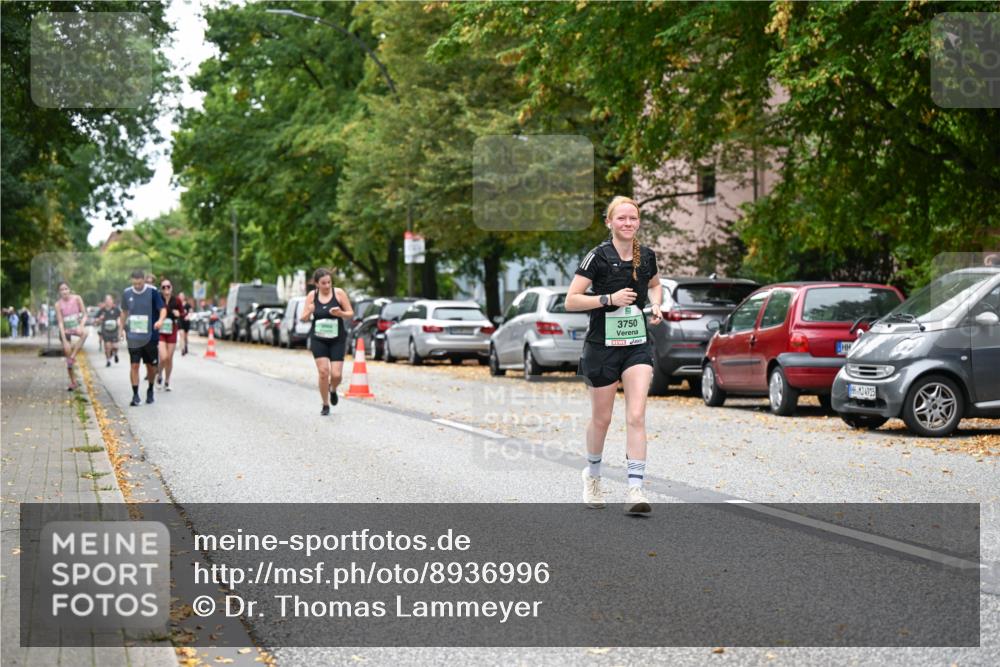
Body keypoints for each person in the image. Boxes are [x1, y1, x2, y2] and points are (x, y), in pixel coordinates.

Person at [565, 195, 663, 515]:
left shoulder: (646, 256)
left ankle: (635, 488)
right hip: (601, 347)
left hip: (636, 345)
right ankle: (592, 474)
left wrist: (658, 304)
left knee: (636, 415)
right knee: (602, 418)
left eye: (632, 218)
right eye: (621, 219)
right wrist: (609, 298)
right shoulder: (597, 257)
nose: (628, 224)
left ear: (638, 222)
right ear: (610, 223)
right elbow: (572, 300)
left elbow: (656, 285)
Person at [299, 268, 354, 415]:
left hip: (337, 339)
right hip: (319, 339)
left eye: (329, 282)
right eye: (323, 283)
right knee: (324, 372)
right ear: (317, 284)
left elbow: (350, 313)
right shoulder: (312, 295)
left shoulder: (339, 293)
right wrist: (310, 310)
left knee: (336, 375)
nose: (327, 285)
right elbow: (303, 318)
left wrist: (340, 313)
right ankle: (325, 404)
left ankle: (333, 388)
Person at [120, 269, 165, 406]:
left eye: (139, 283)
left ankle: (150, 389)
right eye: (135, 284)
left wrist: (160, 320)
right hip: (133, 336)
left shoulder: (153, 292)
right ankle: (135, 395)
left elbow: (162, 309)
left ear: (144, 280)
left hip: (150, 336)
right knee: (134, 365)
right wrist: (121, 329)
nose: (137, 286)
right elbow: (124, 312)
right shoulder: (127, 293)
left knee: (150, 366)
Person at [54, 282, 89, 390]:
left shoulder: (77, 298)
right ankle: (73, 381)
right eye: (62, 290)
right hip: (65, 331)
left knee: (85, 333)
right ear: (59, 292)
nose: (64, 291)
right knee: (68, 356)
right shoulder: (58, 304)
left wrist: (81, 326)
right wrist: (64, 339)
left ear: (69, 290)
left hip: (76, 327)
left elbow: (85, 314)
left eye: (66, 289)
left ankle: (73, 356)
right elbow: (60, 322)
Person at [156, 278, 183, 390]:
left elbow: (182, 313)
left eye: (168, 286)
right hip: (161, 331)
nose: (166, 288)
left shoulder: (176, 300)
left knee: (169, 358)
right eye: (164, 287)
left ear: (171, 288)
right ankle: (159, 374)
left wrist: (179, 313)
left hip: (172, 330)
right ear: (161, 289)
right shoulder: (158, 299)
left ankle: (167, 381)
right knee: (163, 357)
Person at [96, 294, 122, 367]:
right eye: (106, 300)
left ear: (112, 301)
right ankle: (108, 361)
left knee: (115, 346)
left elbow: (121, 317)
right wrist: (99, 319)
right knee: (107, 346)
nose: (108, 302)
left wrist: (119, 321)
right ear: (105, 301)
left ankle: (115, 353)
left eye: (109, 300)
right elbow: (95, 320)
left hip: (114, 331)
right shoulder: (102, 310)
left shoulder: (116, 309)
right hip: (105, 331)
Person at [177, 291, 192, 355]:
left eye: (182, 296)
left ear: (184, 297)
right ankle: (182, 349)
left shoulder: (187, 305)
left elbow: (191, 312)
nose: (181, 297)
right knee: (181, 334)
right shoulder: (177, 304)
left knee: (185, 336)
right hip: (180, 321)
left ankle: (186, 346)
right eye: (180, 296)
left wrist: (188, 316)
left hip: (186, 321)